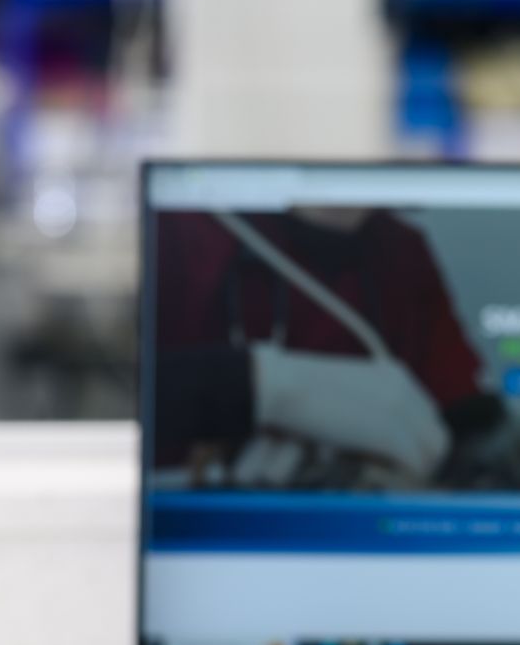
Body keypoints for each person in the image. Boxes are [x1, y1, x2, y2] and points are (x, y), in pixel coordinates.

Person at [150, 205, 492, 484]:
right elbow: (123, 395)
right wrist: (263, 385)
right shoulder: (180, 226)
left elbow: (466, 416)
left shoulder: (403, 252)